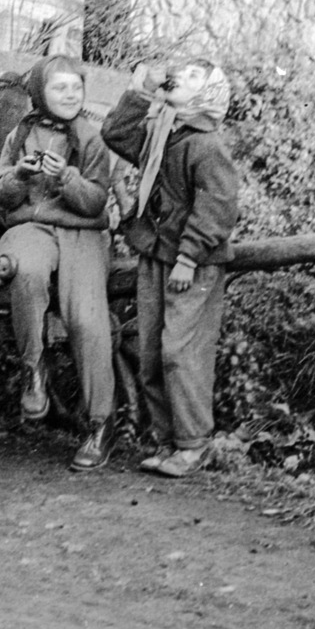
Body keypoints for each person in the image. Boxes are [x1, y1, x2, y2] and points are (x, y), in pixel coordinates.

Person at [101, 58, 240, 478]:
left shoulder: (207, 144)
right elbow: (115, 133)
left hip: (190, 264)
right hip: (156, 255)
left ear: (208, 94)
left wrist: (187, 257)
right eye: (181, 71)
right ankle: (165, 440)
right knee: (152, 351)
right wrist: (143, 91)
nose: (181, 75)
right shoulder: (164, 131)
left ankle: (192, 443)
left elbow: (217, 206)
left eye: (195, 75)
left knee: (182, 351)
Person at [0, 57, 116, 471]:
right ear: (40, 93)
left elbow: (95, 201)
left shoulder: (91, 139)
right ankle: (33, 371)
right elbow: (1, 196)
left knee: (86, 319)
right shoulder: (20, 133)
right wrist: (20, 177)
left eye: (76, 88)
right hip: (31, 227)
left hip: (82, 232)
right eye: (59, 88)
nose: (70, 95)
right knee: (23, 269)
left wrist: (68, 179)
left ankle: (99, 424)